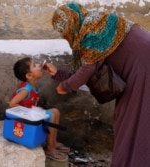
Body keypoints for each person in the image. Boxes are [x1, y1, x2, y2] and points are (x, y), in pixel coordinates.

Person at [44, 2, 150, 167]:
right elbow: (84, 71)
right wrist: (57, 74)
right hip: (138, 69)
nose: (64, 36)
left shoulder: (91, 28)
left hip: (144, 68)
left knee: (132, 122)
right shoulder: (87, 30)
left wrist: (65, 87)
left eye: (63, 31)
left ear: (72, 23)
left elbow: (87, 70)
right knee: (128, 120)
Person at [9, 57, 69, 162]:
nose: (39, 65)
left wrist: (34, 109)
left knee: (55, 112)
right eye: (34, 65)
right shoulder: (25, 90)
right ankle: (50, 149)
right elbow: (12, 104)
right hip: (24, 119)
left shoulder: (33, 86)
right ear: (29, 75)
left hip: (30, 116)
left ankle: (53, 142)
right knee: (51, 114)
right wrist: (29, 110)